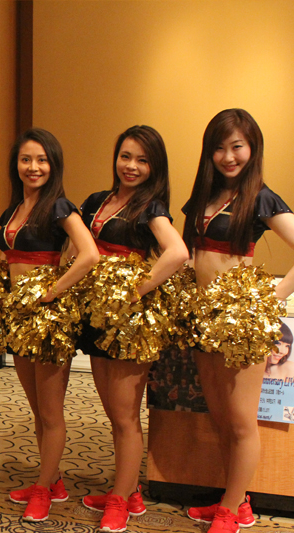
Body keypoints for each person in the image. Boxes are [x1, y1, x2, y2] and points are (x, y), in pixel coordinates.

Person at [182, 109, 294, 533]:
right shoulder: (204, 196)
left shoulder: (262, 198)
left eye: (237, 147)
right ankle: (237, 502)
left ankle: (229, 511)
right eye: (219, 148)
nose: (228, 157)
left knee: (243, 421)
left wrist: (270, 299)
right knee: (221, 416)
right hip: (203, 319)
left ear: (252, 148)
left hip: (239, 325)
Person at [78, 125, 188, 533]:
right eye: (126, 156)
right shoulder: (98, 201)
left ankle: (120, 500)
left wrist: (133, 292)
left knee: (125, 416)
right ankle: (128, 489)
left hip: (128, 323)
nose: (132, 166)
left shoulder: (151, 207)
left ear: (154, 167)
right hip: (98, 317)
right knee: (113, 412)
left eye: (143, 160)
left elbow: (178, 252)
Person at [0, 129, 99, 523]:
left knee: (52, 412)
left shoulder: (59, 206)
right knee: (38, 409)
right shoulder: (14, 209)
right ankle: (51, 480)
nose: (33, 167)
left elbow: (89, 254)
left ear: (53, 164)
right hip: (19, 319)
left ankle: (43, 490)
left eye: (41, 160)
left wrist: (52, 292)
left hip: (48, 321)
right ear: (16, 164)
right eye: (26, 159)